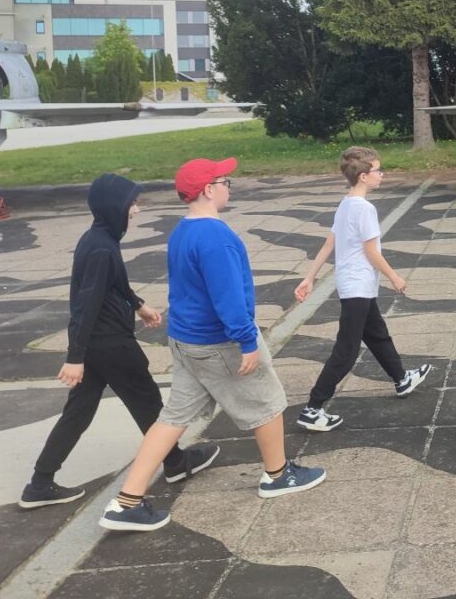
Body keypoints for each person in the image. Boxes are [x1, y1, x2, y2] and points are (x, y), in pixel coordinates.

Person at [99, 158, 325, 532]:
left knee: (173, 417)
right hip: (219, 341)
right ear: (208, 189)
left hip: (186, 339)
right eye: (225, 181)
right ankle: (277, 475)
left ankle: (126, 502)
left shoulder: (183, 230)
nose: (228, 186)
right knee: (267, 402)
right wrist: (248, 341)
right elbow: (229, 298)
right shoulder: (216, 238)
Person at [20, 174, 219, 508]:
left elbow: (113, 283)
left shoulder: (99, 239)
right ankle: (174, 462)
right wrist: (74, 357)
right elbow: (86, 304)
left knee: (79, 413)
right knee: (148, 401)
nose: (136, 210)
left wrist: (138, 305)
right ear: (114, 207)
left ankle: (39, 484)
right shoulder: (101, 248)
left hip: (98, 345)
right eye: (132, 204)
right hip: (110, 344)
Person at [293, 147, 432, 432]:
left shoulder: (346, 203)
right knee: (346, 351)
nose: (383, 175)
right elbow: (371, 251)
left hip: (354, 284)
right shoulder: (365, 209)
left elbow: (329, 242)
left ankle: (401, 379)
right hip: (357, 285)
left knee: (377, 334)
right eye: (379, 170)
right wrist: (394, 276)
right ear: (364, 176)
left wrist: (309, 277)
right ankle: (313, 409)